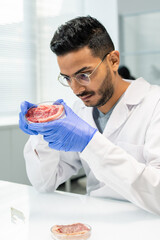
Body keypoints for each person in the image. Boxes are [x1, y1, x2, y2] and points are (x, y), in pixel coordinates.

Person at [19, 16, 160, 215]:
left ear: (113, 61)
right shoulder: (80, 110)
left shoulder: (155, 104)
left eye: (84, 75)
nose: (76, 89)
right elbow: (44, 183)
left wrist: (90, 143)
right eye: (67, 78)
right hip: (96, 222)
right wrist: (41, 134)